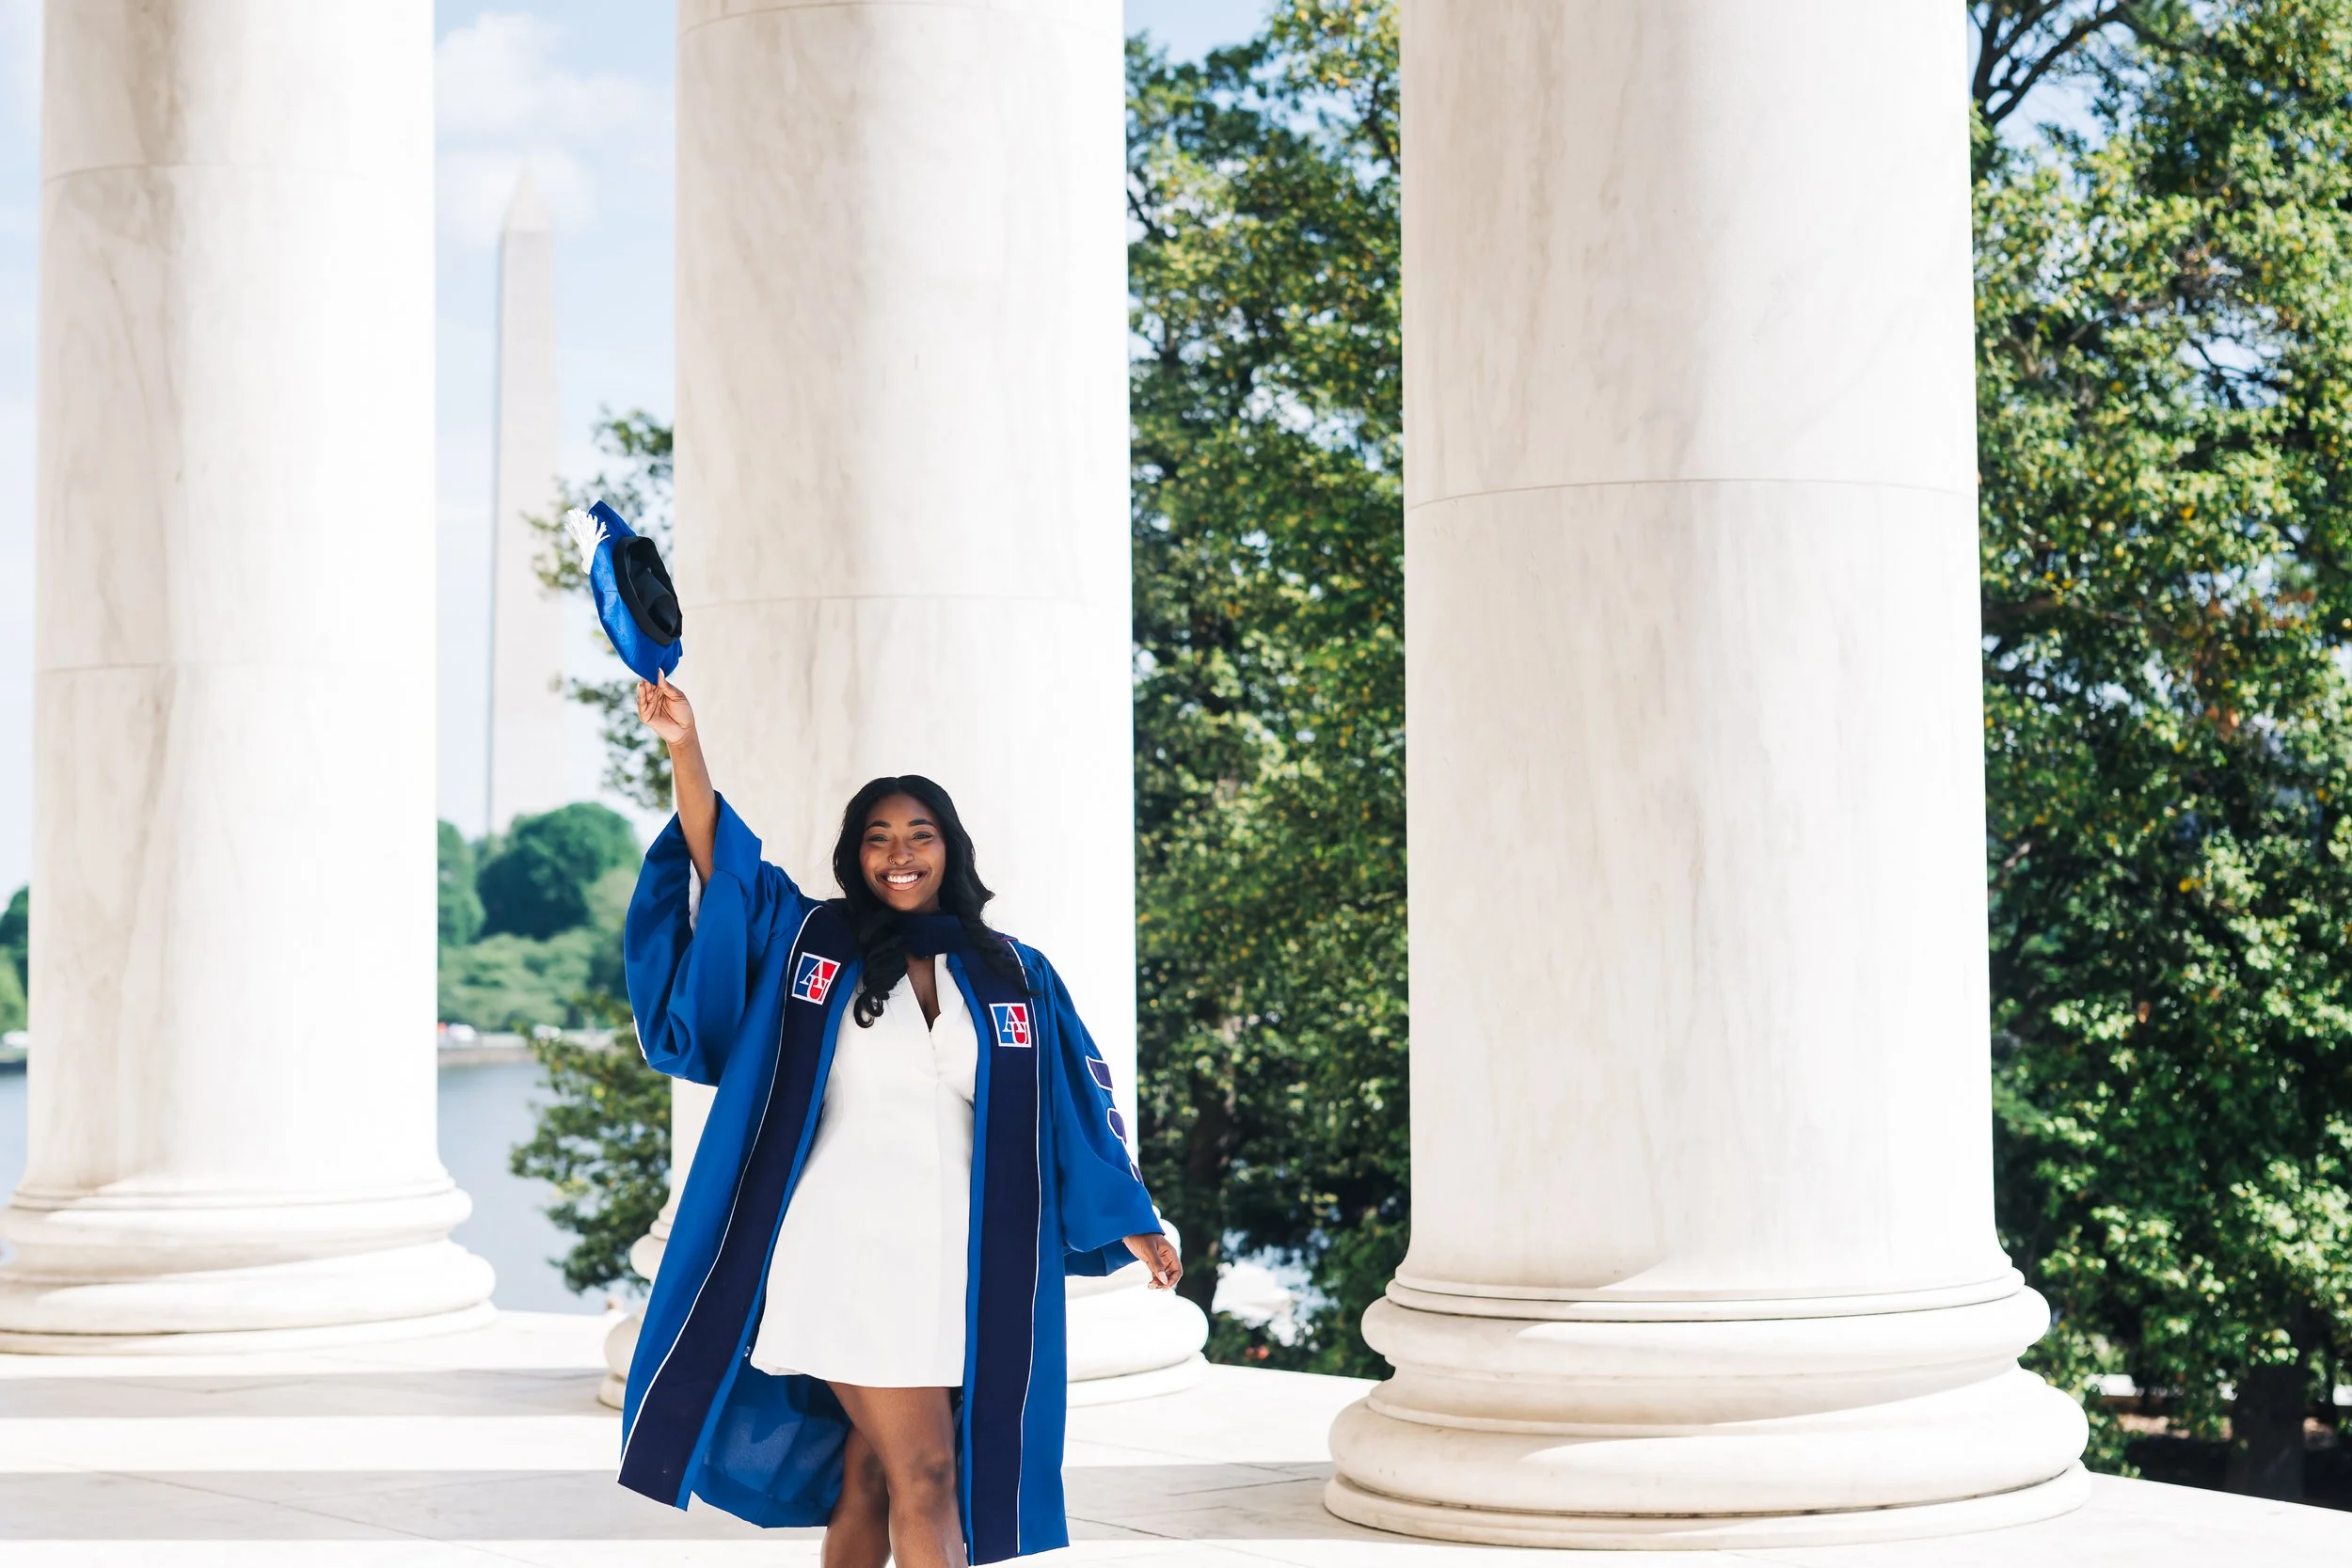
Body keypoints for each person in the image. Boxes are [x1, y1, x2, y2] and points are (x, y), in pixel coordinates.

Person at [614, 673, 1181, 1568]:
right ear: (856, 855)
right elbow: (723, 865)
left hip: (959, 1259)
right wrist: (686, 746)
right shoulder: (811, 942)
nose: (899, 854)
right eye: (877, 838)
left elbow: (1075, 1101)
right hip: (847, 1247)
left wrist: (1133, 1218)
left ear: (950, 848)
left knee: (874, 1474)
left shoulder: (1012, 972)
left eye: (919, 834)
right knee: (929, 1471)